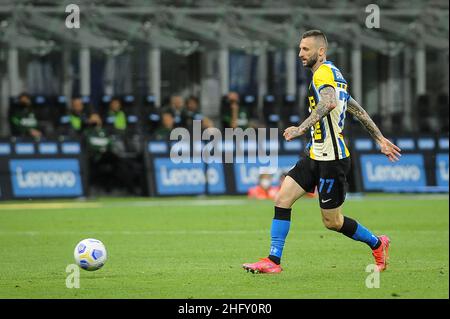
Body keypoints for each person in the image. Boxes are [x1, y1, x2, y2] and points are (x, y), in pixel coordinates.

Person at [243, 30, 402, 274]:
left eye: (305, 49)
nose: (300, 54)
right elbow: (356, 110)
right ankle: (273, 261)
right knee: (282, 199)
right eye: (299, 49)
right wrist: (379, 138)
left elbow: (328, 103)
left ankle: (378, 243)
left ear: (320, 51)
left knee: (333, 222)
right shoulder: (335, 74)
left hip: (333, 160)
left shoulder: (324, 74)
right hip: (314, 155)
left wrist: (300, 128)